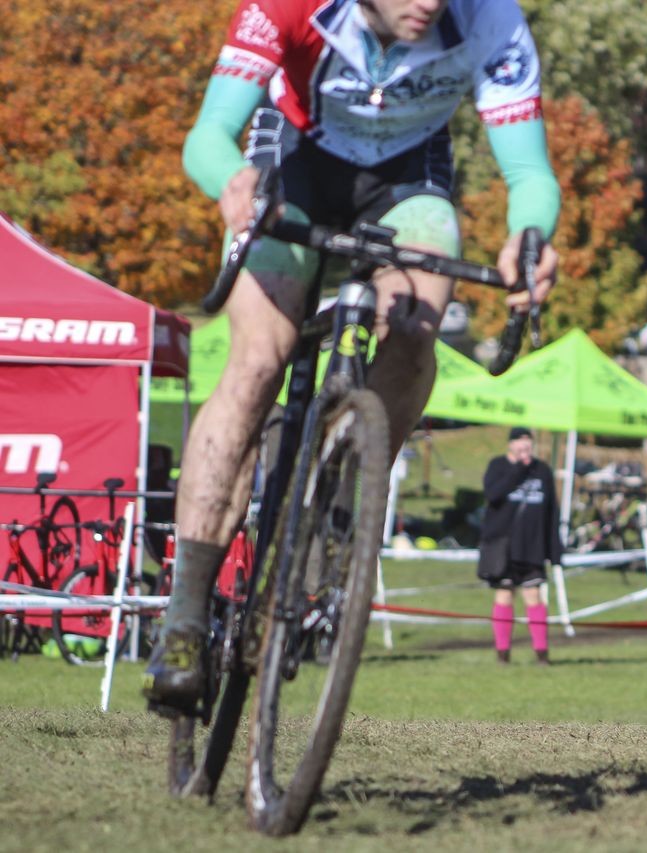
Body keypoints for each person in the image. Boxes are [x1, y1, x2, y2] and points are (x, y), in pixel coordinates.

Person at [143, 0, 561, 713]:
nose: (427, 3)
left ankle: (351, 478)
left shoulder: (492, 19)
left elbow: (531, 175)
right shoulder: (290, 5)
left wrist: (529, 237)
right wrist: (230, 182)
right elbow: (208, 134)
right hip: (293, 159)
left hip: (408, 179)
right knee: (256, 362)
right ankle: (184, 614)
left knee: (418, 326)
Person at [479, 427, 562, 664]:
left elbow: (551, 511)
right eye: (520, 445)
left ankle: (541, 653)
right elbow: (493, 495)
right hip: (503, 547)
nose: (525, 450)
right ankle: (503, 652)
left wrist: (554, 549)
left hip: (532, 546)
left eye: (529, 445)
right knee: (504, 595)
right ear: (510, 445)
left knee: (533, 595)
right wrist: (518, 469)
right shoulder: (498, 466)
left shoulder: (542, 470)